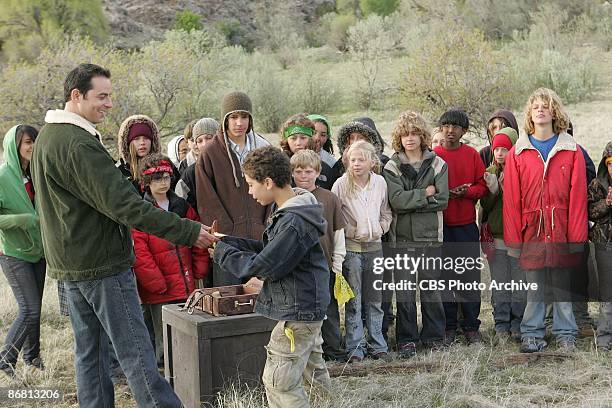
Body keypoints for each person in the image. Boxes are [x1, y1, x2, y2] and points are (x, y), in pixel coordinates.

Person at [30, 63, 216, 407]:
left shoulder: (48, 138)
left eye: (109, 96)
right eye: (102, 96)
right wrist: (188, 231)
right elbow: (127, 206)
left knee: (91, 355)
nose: (109, 104)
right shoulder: (77, 144)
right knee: (136, 354)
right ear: (76, 96)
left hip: (71, 267)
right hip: (102, 267)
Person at [211, 145, 331, 408]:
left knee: (280, 381)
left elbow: (266, 265)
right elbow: (270, 251)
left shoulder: (293, 221)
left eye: (252, 184)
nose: (250, 191)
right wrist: (225, 241)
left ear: (268, 181)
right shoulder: (294, 211)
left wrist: (221, 253)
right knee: (313, 376)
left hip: (298, 313)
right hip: (307, 308)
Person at [504, 88, 587, 353]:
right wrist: (514, 240)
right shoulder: (519, 152)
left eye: (546, 106)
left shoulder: (571, 149)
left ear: (555, 112)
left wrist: (576, 237)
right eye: (535, 107)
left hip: (562, 228)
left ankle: (565, 333)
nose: (540, 110)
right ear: (529, 114)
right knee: (535, 286)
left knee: (562, 286)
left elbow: (578, 198)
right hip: (531, 231)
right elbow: (511, 202)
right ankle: (532, 333)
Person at [133, 153, 209, 368]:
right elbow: (140, 253)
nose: (163, 183)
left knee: (187, 333)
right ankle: (166, 376)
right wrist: (156, 283)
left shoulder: (183, 207)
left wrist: (198, 270)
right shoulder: (142, 212)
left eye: (166, 177)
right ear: (146, 182)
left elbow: (197, 239)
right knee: (162, 338)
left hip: (186, 284)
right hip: (158, 290)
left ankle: (187, 375)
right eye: (157, 179)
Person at [383, 111, 449, 357]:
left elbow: (442, 199)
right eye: (404, 134)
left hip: (431, 236)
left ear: (423, 136)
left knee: (431, 289)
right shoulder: (392, 166)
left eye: (414, 133)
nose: (409, 138)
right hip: (402, 240)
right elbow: (397, 201)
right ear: (398, 138)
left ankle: (433, 336)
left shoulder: (438, 164)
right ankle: (407, 339)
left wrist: (415, 199)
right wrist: (425, 193)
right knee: (405, 292)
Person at [195, 91, 270, 286]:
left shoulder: (264, 150)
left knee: (262, 299)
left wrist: (265, 228)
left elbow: (274, 192)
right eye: (234, 117)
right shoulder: (210, 154)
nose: (239, 123)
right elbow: (207, 201)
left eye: (244, 117)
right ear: (225, 120)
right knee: (230, 299)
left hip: (261, 240)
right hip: (228, 244)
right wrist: (224, 237)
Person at [332, 140, 392, 362]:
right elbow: (335, 216)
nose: (356, 164)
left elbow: (386, 211)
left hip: (375, 248)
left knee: (375, 299)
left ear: (372, 161)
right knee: (354, 300)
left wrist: (381, 227)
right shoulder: (340, 184)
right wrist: (352, 230)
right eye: (352, 160)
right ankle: (355, 347)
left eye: (361, 160)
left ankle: (377, 343)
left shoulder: (380, 183)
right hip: (352, 250)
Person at [433, 108, 488, 345]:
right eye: (445, 126)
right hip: (441, 227)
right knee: (445, 278)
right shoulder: (434, 156)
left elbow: (482, 186)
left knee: (469, 278)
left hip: (466, 225)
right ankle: (448, 326)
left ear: (464, 131)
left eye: (455, 127)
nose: (450, 131)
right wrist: (444, 193)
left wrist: (467, 192)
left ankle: (471, 326)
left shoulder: (472, 155)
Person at [291, 149, 347, 362]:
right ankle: (306, 352)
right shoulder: (288, 198)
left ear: (317, 172)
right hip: (298, 266)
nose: (303, 176)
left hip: (324, 265)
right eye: (298, 171)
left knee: (329, 309)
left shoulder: (329, 198)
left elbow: (338, 233)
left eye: (308, 171)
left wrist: (337, 263)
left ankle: (334, 349)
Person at [0, 125, 46, 378]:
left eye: (35, 142)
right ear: (14, 145)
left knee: (35, 307)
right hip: (13, 253)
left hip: (39, 252)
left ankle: (33, 358)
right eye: (28, 142)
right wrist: (23, 219)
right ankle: (6, 360)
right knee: (29, 309)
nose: (32, 147)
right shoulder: (3, 175)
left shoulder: (38, 173)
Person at [480, 127, 525, 342]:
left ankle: (518, 323)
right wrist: (493, 190)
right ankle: (501, 323)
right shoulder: (491, 172)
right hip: (497, 238)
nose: (499, 153)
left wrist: (507, 190)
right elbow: (485, 207)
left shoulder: (522, 170)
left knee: (518, 283)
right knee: (500, 283)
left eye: (505, 149)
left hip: (517, 239)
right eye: (496, 148)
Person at [587, 141, 612, 351]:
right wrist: (607, 203)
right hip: (604, 244)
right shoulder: (597, 184)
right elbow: (588, 211)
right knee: (606, 292)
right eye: (610, 162)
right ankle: (604, 338)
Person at [116, 114, 179, 194]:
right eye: (136, 139)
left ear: (153, 141)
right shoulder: (120, 172)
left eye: (146, 138)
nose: (142, 143)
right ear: (128, 143)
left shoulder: (165, 164)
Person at [280, 114, 336, 190]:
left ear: (311, 139)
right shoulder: (278, 168)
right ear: (286, 141)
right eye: (293, 138)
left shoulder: (325, 169)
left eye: (303, 138)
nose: (298, 143)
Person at [176, 117, 220, 210]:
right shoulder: (190, 173)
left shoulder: (234, 165)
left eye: (209, 138)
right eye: (199, 141)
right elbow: (181, 206)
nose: (204, 144)